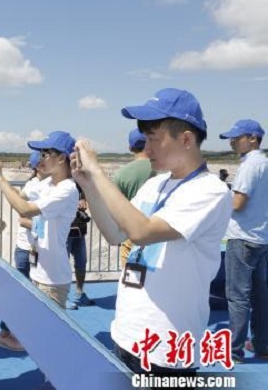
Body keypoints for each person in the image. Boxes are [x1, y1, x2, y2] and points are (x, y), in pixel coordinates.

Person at [71, 88, 231, 377]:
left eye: (154, 138)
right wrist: (89, 186)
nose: (146, 148)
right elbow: (115, 234)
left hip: (166, 348)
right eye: (145, 139)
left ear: (186, 139)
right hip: (126, 335)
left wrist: (97, 171)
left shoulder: (210, 190)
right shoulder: (154, 184)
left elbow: (141, 232)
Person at [0, 132, 79, 315]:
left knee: (49, 328)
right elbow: (20, 197)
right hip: (39, 271)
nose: (40, 158)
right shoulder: (48, 184)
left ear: (62, 158)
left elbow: (25, 209)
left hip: (52, 278)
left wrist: (0, 178)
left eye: (45, 154)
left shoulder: (67, 189)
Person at [219, 119, 268, 362]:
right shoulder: (265, 163)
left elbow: (238, 203)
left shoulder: (249, 166)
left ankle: (234, 351)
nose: (232, 142)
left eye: (236, 138)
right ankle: (262, 344)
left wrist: (220, 196)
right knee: (260, 295)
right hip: (262, 237)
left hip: (242, 238)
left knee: (238, 296)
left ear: (253, 138)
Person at [0, 151, 48, 352]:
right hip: (27, 249)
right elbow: (22, 216)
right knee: (22, 294)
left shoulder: (44, 187)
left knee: (27, 293)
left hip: (34, 249)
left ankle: (11, 332)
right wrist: (44, 226)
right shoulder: (33, 185)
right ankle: (8, 332)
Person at [113, 128, 155, 267]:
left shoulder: (121, 174)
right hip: (158, 230)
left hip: (131, 232)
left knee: (130, 273)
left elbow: (116, 209)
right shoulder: (163, 170)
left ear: (130, 148)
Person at [66, 184, 94, 309]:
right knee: (63, 265)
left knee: (82, 262)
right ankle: (63, 296)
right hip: (64, 231)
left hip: (79, 230)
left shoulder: (79, 180)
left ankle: (79, 293)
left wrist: (83, 199)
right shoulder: (60, 179)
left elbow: (84, 192)